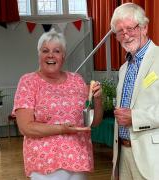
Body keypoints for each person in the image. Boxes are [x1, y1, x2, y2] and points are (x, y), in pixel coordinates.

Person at [13, 28, 103, 180]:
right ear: (39, 54)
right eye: (45, 50)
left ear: (63, 56)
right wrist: (62, 129)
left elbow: (93, 122)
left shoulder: (77, 80)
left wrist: (98, 99)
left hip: (78, 159)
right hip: (45, 163)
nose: (50, 55)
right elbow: (25, 127)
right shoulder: (28, 82)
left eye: (56, 51)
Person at [110, 3, 159, 180]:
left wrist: (135, 118)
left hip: (152, 158)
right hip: (123, 154)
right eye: (119, 31)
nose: (125, 35)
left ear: (144, 27)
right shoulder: (124, 68)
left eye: (130, 28)